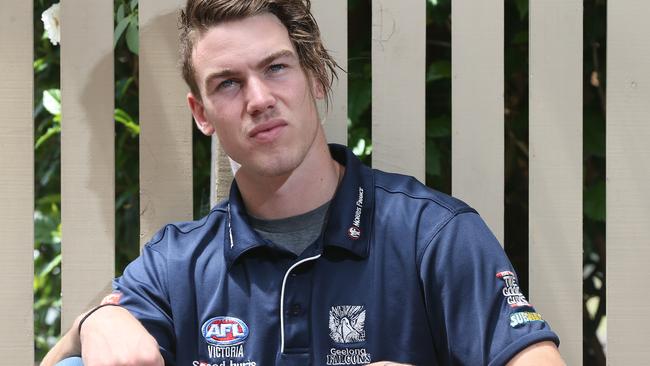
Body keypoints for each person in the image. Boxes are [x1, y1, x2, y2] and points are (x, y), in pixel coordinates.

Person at [42, 0, 565, 365]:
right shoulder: (178, 264)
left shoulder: (432, 234)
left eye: (275, 68)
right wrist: (89, 326)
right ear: (201, 114)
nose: (259, 99)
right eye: (228, 83)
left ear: (316, 76)